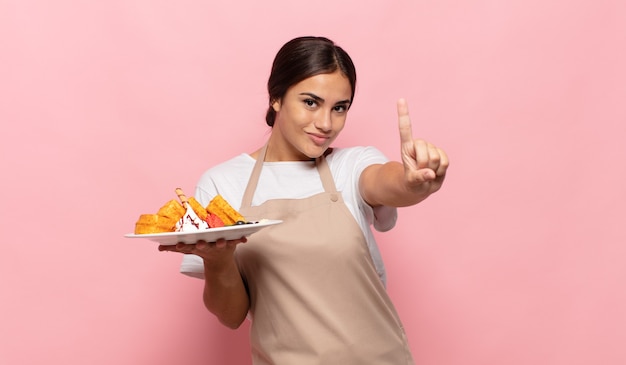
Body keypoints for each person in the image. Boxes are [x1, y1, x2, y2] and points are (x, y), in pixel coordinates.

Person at [159, 36, 449, 365]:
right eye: (311, 102)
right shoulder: (223, 183)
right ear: (276, 98)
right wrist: (218, 261)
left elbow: (387, 181)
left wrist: (416, 183)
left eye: (339, 108)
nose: (326, 124)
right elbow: (231, 316)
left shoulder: (350, 165)